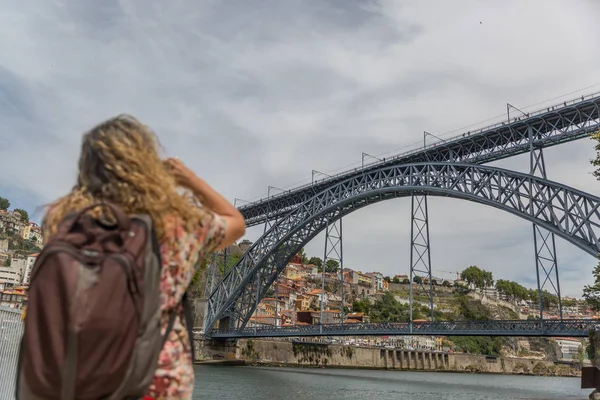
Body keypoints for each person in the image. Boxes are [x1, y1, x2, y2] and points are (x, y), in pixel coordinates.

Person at [42, 114, 246, 399]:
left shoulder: (66, 225)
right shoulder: (179, 227)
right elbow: (235, 222)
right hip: (160, 383)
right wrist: (189, 180)